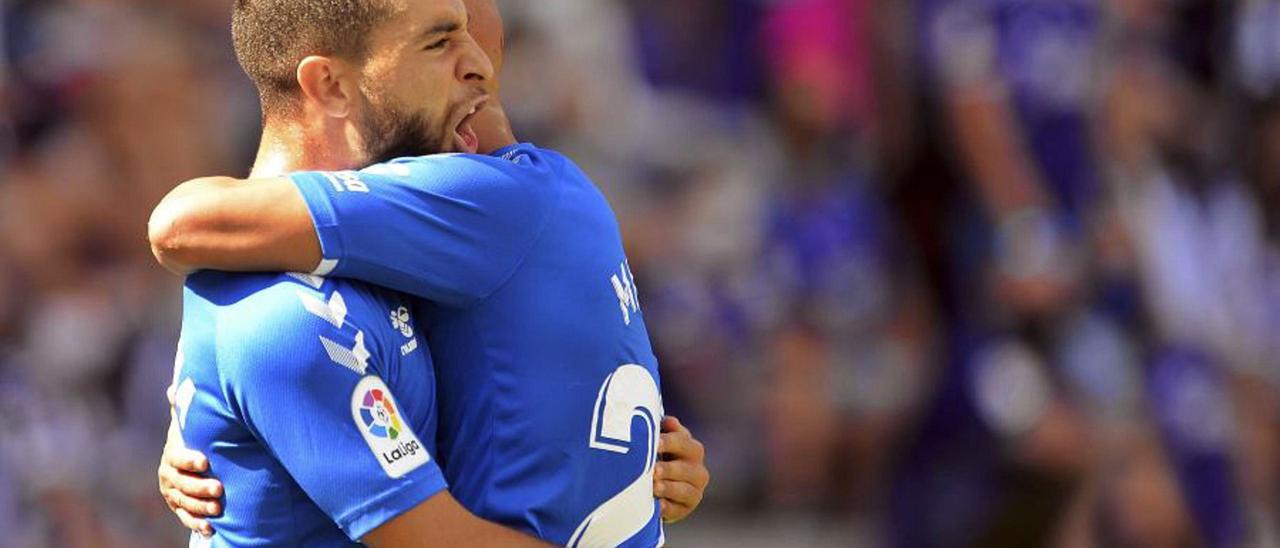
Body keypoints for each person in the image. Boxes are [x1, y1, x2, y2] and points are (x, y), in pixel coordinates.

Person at [150, 0, 709, 545]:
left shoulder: (408, 245)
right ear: (331, 85)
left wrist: (628, 474)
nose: (481, 66)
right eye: (439, 41)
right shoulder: (286, 315)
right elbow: (432, 536)